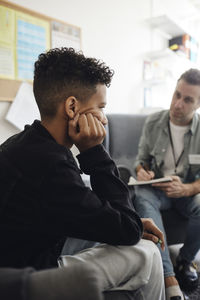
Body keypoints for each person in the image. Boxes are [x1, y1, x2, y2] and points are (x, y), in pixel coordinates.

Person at [0, 47, 165, 299]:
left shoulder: (22, 142)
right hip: (31, 275)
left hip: (23, 251)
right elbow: (128, 230)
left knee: (130, 233)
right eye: (101, 106)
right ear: (72, 107)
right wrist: (93, 151)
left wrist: (128, 221)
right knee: (146, 251)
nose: (105, 119)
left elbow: (76, 208)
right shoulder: (52, 165)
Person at [134, 68, 200, 300]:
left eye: (188, 99)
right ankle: (168, 275)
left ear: (198, 104)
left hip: (186, 191)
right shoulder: (153, 122)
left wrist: (188, 188)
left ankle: (185, 260)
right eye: (177, 95)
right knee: (141, 195)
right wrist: (141, 172)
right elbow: (139, 161)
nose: (178, 103)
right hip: (158, 191)